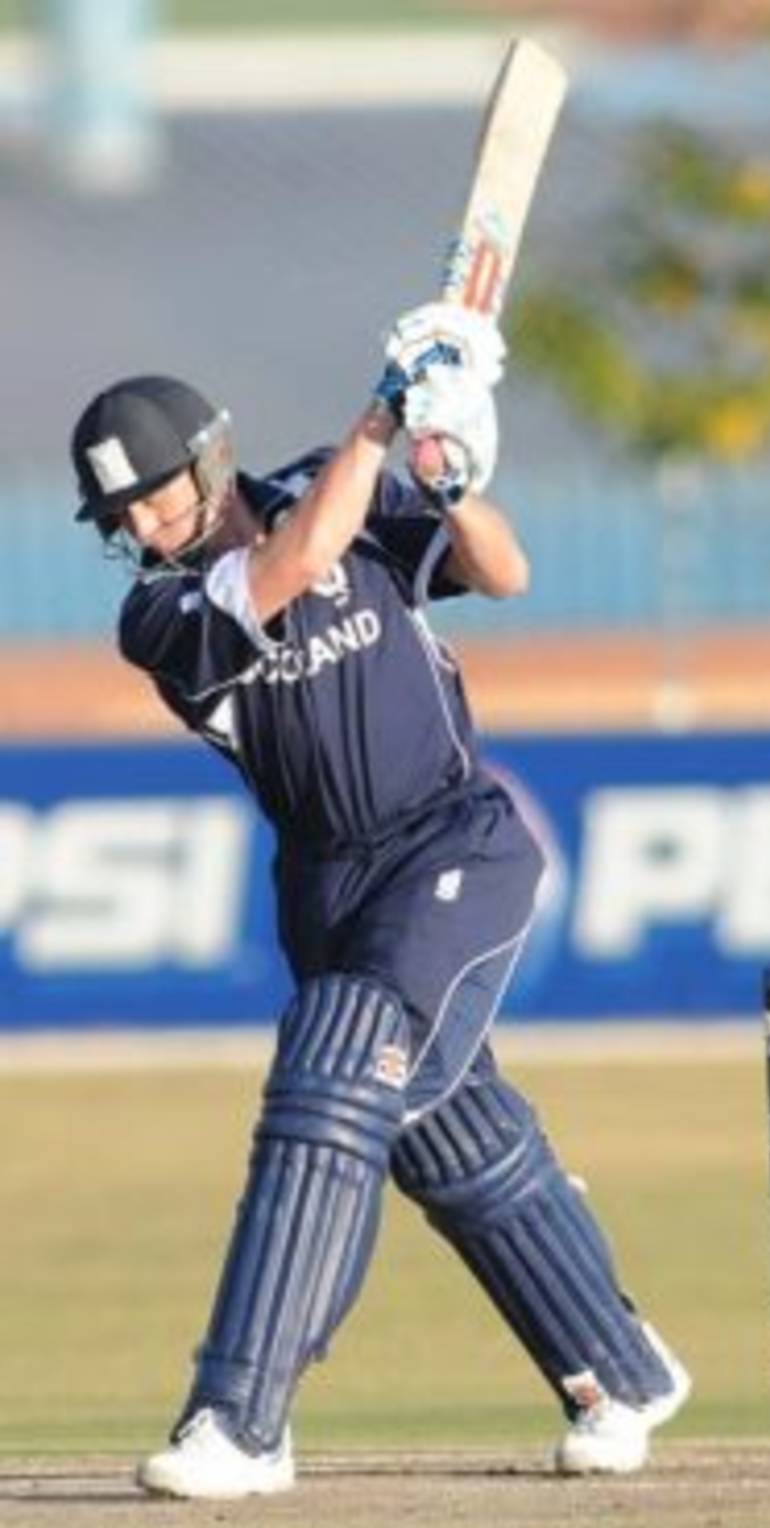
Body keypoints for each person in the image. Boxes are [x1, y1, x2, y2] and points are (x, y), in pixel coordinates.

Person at [70, 302, 689, 1501]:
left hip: (453, 844)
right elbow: (296, 562)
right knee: (440, 1129)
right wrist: (380, 419)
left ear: (207, 459)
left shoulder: (332, 485)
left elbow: (502, 572)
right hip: (328, 883)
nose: (143, 527)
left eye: (154, 496)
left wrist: (447, 466)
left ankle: (240, 1417)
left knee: (338, 1065)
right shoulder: (159, 614)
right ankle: (615, 1365)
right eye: (122, 517)